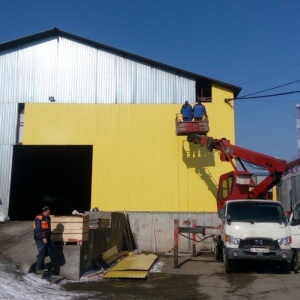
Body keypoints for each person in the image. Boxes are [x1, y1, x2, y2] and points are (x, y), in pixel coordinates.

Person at [33, 206, 53, 274]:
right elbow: (38, 230)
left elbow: (48, 228)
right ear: (44, 211)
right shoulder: (39, 218)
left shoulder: (48, 218)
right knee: (42, 252)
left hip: (47, 238)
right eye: (48, 212)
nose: (49, 213)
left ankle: (40, 259)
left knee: (50, 250)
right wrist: (42, 237)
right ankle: (38, 268)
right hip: (40, 238)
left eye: (49, 212)